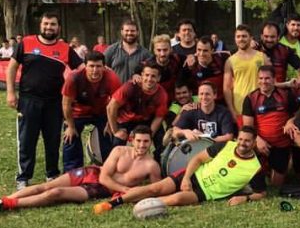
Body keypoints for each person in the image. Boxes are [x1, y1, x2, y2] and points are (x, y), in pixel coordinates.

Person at [0, 126, 160, 214]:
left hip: (101, 190)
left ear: (150, 142)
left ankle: (6, 205)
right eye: (139, 141)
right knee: (43, 186)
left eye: (146, 141)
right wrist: (126, 191)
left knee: (55, 193)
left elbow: (155, 190)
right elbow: (104, 176)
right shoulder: (119, 151)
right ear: (131, 140)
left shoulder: (151, 166)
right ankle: (2, 200)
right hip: (93, 173)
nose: (142, 145)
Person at [94, 127, 265, 212]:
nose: (242, 143)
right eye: (241, 139)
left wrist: (246, 199)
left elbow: (261, 193)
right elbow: (197, 159)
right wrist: (185, 179)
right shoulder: (225, 145)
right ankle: (112, 203)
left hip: (205, 193)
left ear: (255, 141)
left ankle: (142, 207)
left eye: (247, 141)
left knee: (173, 199)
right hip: (191, 176)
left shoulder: (255, 168)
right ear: (237, 138)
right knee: (154, 188)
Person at [7, 13, 83, 188]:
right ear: (41, 25)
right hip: (28, 100)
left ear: (59, 28)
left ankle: (52, 174)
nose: (49, 27)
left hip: (54, 102)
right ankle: (23, 177)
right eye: (46, 24)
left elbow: (81, 69)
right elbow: (12, 67)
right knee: (26, 140)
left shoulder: (65, 49)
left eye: (53, 24)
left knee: (53, 140)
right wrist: (11, 93)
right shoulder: (26, 43)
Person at [61, 50, 122, 170]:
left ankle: (109, 168)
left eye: (98, 66)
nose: (95, 70)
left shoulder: (112, 77)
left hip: (101, 111)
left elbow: (118, 103)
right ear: (85, 66)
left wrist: (111, 123)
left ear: (104, 67)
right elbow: (66, 104)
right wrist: (70, 126)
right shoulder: (74, 77)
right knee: (70, 137)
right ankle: (72, 171)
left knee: (109, 135)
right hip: (78, 112)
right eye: (91, 66)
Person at [242, 66, 297, 187]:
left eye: (267, 78)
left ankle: (281, 167)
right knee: (255, 181)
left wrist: (290, 121)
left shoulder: (286, 95)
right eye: (261, 78)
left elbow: (298, 115)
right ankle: (261, 170)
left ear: (274, 79)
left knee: (276, 185)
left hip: (281, 144)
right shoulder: (250, 98)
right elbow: (247, 127)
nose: (263, 81)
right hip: (259, 143)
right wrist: (257, 139)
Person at [106, 61, 168, 155]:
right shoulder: (130, 86)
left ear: (159, 78)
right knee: (118, 140)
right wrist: (115, 131)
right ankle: (116, 164)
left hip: (146, 120)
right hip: (125, 120)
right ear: (142, 75)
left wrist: (149, 136)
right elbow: (111, 107)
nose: (149, 79)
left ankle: (159, 164)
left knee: (161, 139)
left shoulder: (162, 94)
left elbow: (159, 117)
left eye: (153, 76)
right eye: (146, 75)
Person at [224, 24, 269, 120]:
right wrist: (232, 111)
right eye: (238, 36)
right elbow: (227, 88)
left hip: (261, 106)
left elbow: (272, 81)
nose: (241, 39)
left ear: (251, 38)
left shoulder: (262, 57)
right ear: (235, 39)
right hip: (240, 108)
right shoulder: (230, 61)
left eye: (244, 36)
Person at [170, 82, 236, 144]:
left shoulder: (223, 112)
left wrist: (204, 138)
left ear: (215, 95)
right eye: (201, 94)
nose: (204, 97)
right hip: (196, 149)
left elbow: (229, 137)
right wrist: (185, 132)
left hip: (217, 148)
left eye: (207, 94)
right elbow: (174, 131)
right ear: (198, 95)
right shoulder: (191, 110)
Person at [103, 18, 151, 83]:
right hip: (115, 90)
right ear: (122, 32)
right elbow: (101, 66)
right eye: (127, 30)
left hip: (136, 91)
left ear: (137, 32)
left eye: (132, 31)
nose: (129, 33)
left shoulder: (145, 54)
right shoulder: (111, 50)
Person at [183, 36, 227, 103]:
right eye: (199, 50)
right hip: (200, 103)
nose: (201, 54)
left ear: (212, 51)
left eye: (205, 51)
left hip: (221, 103)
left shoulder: (221, 60)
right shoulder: (190, 64)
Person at [149, 33, 181, 101]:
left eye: (165, 50)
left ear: (170, 49)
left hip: (175, 101)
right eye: (159, 50)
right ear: (154, 51)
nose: (162, 54)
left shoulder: (178, 61)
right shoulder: (147, 65)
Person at [280, 14, 300, 80]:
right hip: (283, 84)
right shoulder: (279, 42)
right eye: (293, 25)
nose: (296, 28)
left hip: (298, 85)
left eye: (298, 25)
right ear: (287, 25)